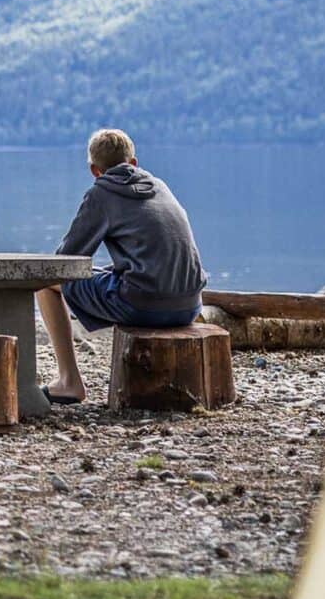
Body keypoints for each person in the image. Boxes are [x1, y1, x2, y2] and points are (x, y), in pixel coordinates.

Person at [37, 128, 208, 405]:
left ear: (95, 170)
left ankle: (69, 382)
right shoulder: (160, 186)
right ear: (133, 162)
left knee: (45, 284)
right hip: (190, 305)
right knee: (107, 274)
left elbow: (65, 262)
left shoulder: (101, 194)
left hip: (144, 305)